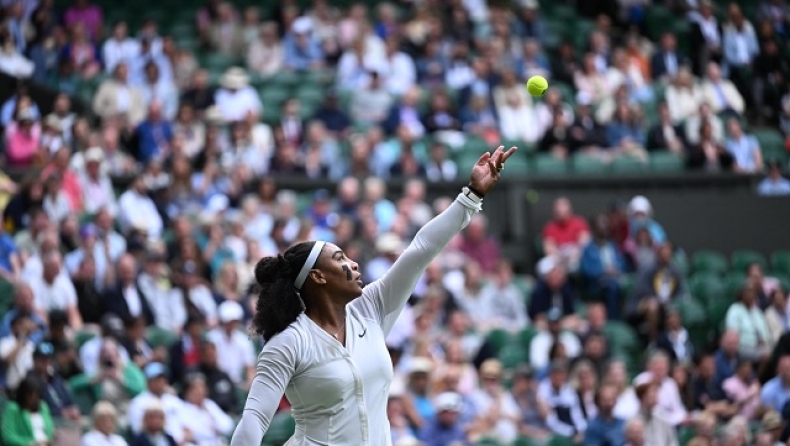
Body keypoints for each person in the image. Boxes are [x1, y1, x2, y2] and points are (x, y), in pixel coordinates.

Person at [229, 145, 516, 446]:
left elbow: (420, 250)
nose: (352, 263)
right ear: (317, 276)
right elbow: (254, 421)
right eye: (339, 259)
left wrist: (471, 195)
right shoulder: (288, 343)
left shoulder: (371, 308)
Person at [0, 375, 54, 446]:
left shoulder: (43, 407)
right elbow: (8, 436)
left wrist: (45, 441)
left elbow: (50, 429)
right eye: (30, 396)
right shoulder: (13, 409)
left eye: (35, 396)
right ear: (23, 395)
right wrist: (30, 443)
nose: (32, 399)